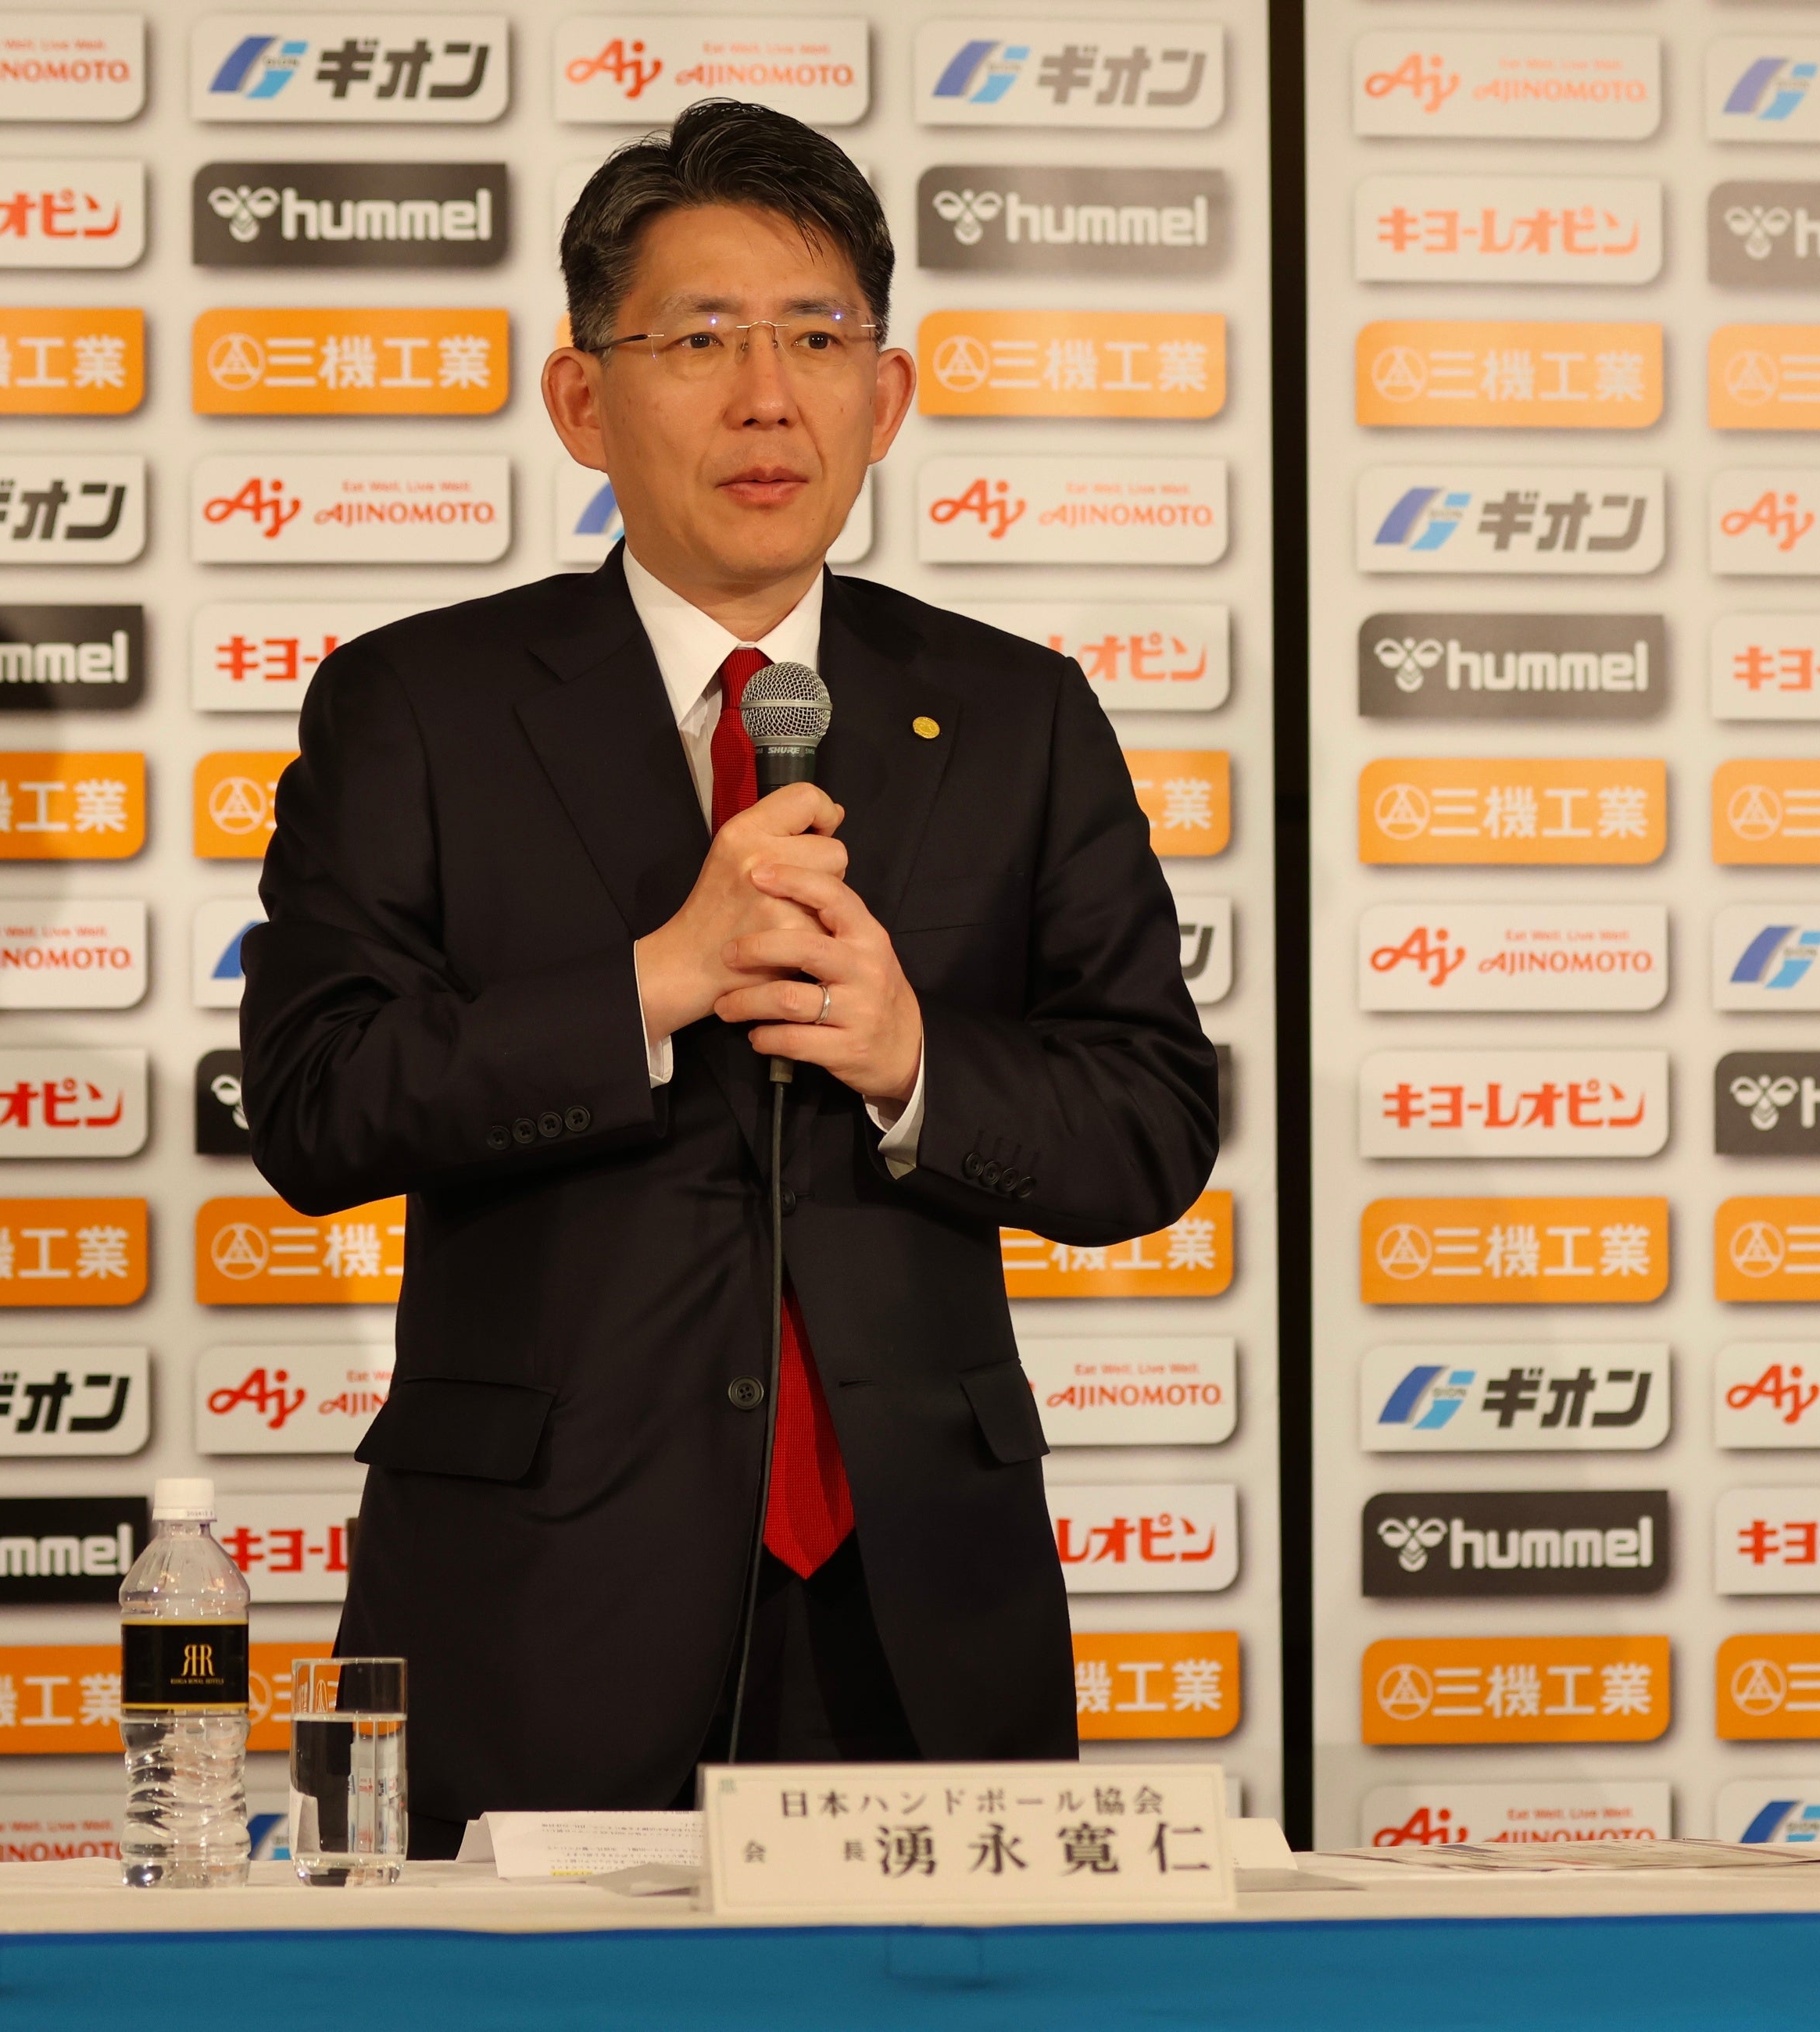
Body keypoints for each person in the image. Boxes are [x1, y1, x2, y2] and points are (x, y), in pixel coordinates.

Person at [240, 99, 1219, 1855]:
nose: (770, 398)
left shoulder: (1015, 712)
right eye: (701, 340)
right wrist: (654, 981)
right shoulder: (423, 705)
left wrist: (917, 1059)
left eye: (818, 339)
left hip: (920, 1612)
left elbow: (1151, 1121)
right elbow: (316, 1106)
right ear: (581, 400)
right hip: (541, 1601)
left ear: (887, 398)